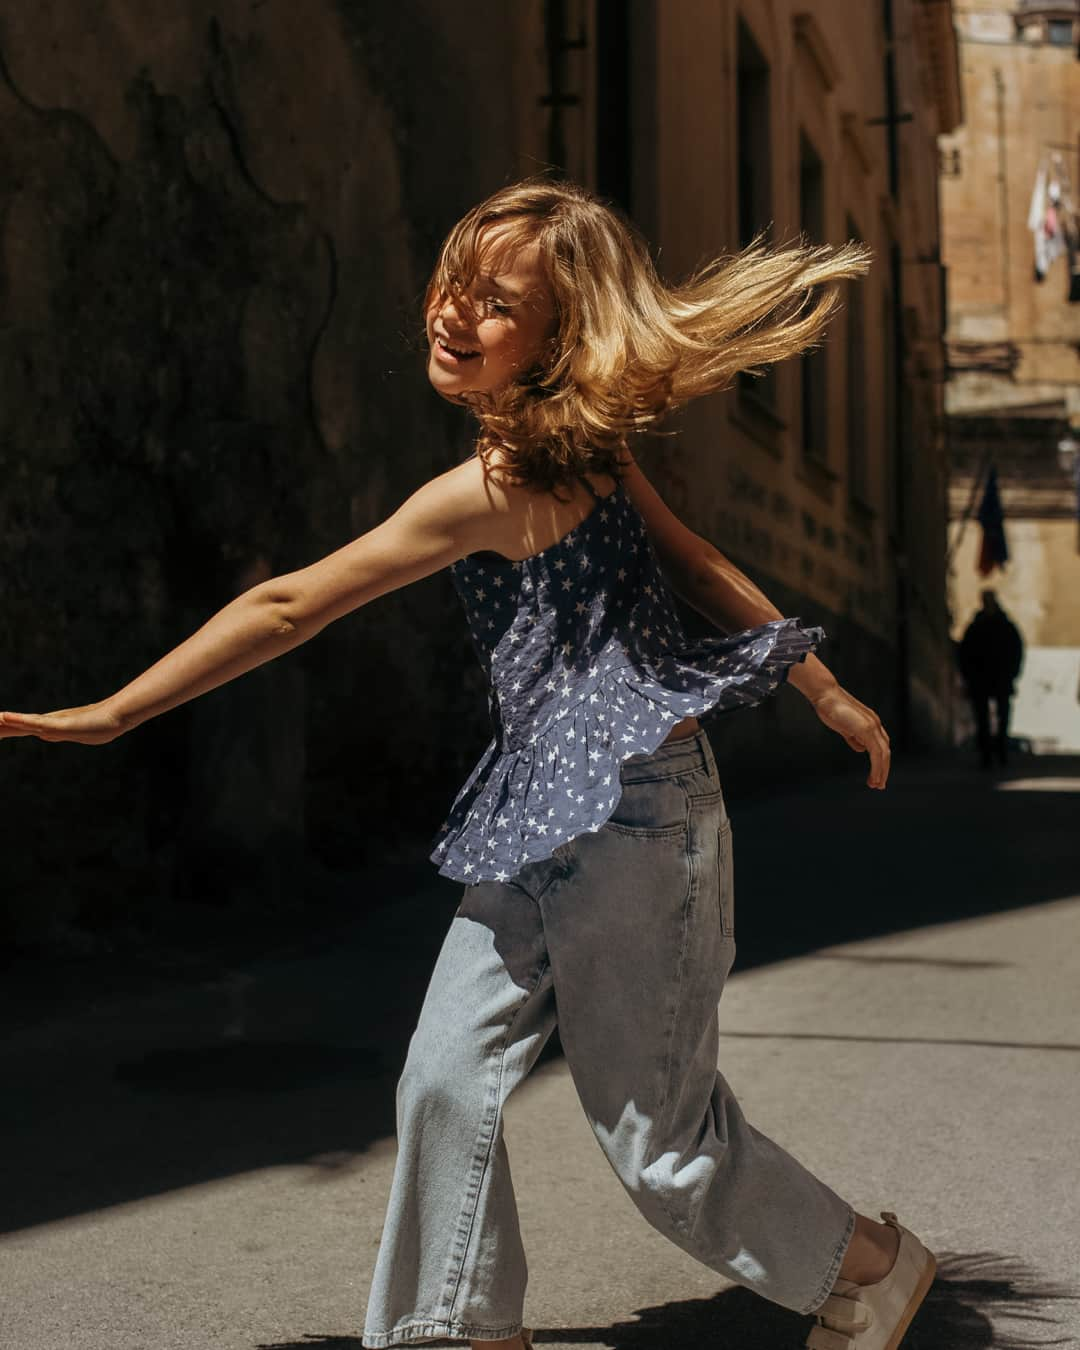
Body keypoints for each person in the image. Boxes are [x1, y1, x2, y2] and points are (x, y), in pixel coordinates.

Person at [0, 179, 935, 1350]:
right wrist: (824, 687)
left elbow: (292, 604)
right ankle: (464, 1324)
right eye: (455, 284)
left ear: (557, 340)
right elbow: (697, 564)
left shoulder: (498, 488)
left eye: (495, 304)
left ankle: (872, 1265)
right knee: (444, 1077)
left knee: (660, 1146)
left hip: (640, 825)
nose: (453, 314)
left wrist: (113, 714)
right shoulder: (575, 455)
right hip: (542, 816)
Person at [958, 589, 1024, 768]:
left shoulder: (1003, 626)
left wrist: (1013, 673)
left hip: (1000, 678)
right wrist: (967, 676)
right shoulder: (977, 627)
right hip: (981, 679)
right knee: (983, 718)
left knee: (1002, 716)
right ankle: (987, 753)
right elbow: (965, 654)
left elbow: (1016, 651)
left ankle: (1000, 750)